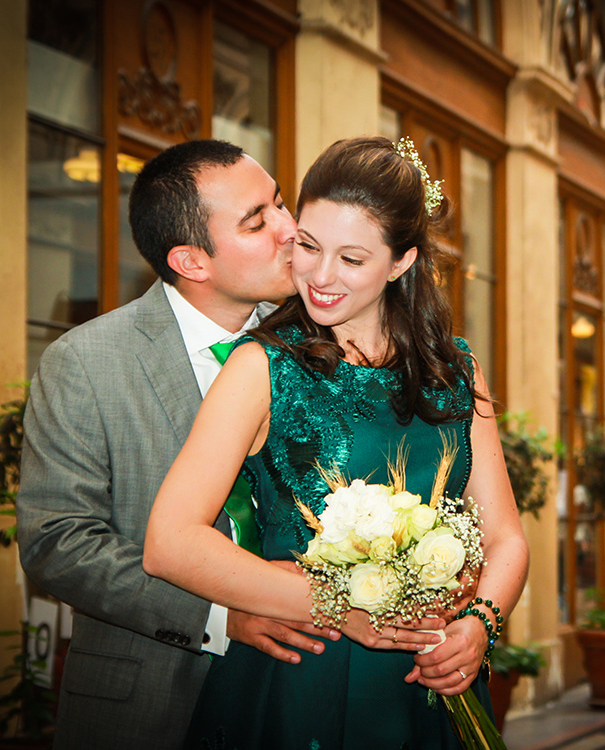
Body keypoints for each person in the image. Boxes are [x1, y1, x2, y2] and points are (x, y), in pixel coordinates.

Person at [143, 136, 530, 749]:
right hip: (303, 675)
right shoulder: (262, 366)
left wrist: (480, 625)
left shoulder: (457, 373)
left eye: (352, 259)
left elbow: (506, 536)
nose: (319, 277)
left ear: (401, 262)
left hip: (427, 679)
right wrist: (333, 603)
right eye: (309, 246)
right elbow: (169, 543)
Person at [17, 140, 339, 750]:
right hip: (146, 701)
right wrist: (222, 618)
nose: (290, 230)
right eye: (258, 220)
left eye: (279, 203)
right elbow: (58, 542)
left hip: (300, 687)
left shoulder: (319, 344)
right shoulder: (85, 363)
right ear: (192, 261)